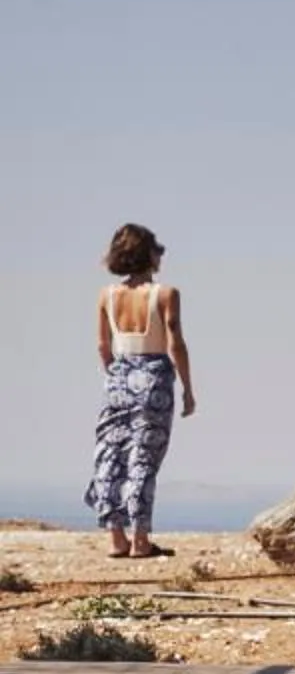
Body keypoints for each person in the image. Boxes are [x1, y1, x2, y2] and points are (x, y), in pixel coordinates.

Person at [86, 223, 195, 559]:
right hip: (154, 379)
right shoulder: (165, 294)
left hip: (118, 377)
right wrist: (188, 387)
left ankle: (115, 537)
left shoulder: (107, 295)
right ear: (148, 254)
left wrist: (118, 377)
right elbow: (175, 342)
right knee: (143, 459)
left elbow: (103, 346)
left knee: (110, 456)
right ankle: (141, 540)